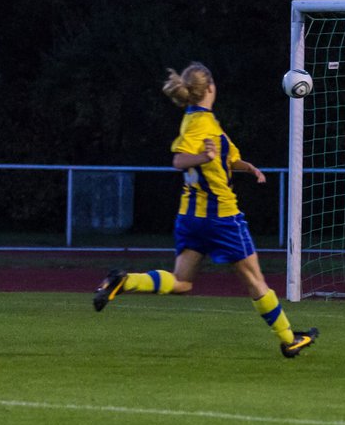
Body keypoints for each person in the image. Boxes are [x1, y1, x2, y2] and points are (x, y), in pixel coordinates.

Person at [93, 62, 318, 358]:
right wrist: (202, 156)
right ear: (210, 87)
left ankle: (124, 281)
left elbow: (222, 159)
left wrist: (246, 167)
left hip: (191, 217)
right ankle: (289, 339)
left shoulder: (202, 120)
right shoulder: (199, 123)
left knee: (182, 282)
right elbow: (179, 161)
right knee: (255, 280)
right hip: (222, 217)